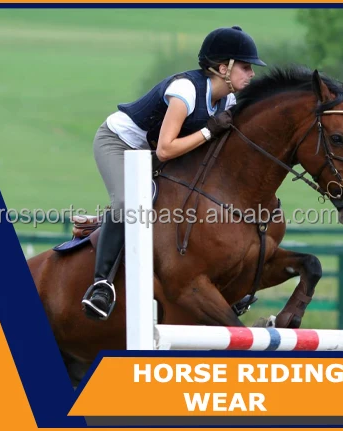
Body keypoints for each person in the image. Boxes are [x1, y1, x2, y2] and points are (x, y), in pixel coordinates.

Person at [81, 26, 266, 321]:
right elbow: (167, 149)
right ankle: (101, 285)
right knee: (128, 203)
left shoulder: (227, 100)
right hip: (120, 144)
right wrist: (208, 131)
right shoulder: (185, 91)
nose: (252, 73)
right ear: (223, 68)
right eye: (246, 67)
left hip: (155, 152)